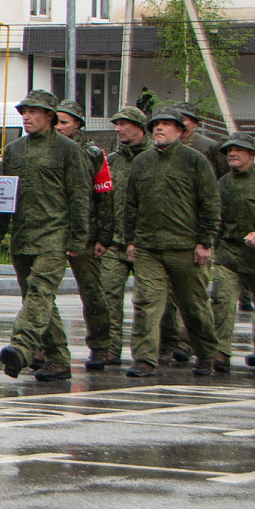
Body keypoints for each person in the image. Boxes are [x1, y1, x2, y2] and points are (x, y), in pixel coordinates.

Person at [0, 90, 87, 381]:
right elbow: (2, 197)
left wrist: (78, 239)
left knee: (40, 292)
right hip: (22, 237)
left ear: (50, 116)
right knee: (37, 299)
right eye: (24, 112)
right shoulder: (14, 149)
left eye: (33, 112)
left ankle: (21, 347)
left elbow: (80, 197)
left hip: (54, 236)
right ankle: (58, 359)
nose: (27, 117)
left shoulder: (68, 150)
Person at [121, 107, 224, 378]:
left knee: (194, 306)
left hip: (186, 248)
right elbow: (131, 204)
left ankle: (205, 354)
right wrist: (130, 240)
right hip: (148, 248)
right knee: (146, 303)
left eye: (167, 125)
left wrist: (205, 241)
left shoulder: (195, 160)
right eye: (156, 125)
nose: (160, 129)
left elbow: (210, 203)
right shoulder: (142, 162)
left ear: (181, 131)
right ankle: (144, 359)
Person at [55, 97, 118, 372]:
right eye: (55, 120)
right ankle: (44, 348)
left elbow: (105, 197)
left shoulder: (93, 154)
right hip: (53, 231)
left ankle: (101, 346)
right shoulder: (47, 149)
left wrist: (104, 237)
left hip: (87, 234)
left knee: (92, 293)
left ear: (78, 125)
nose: (58, 127)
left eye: (64, 122)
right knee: (41, 292)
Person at [214, 134, 255, 371]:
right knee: (222, 301)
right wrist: (209, 245)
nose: (232, 154)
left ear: (252, 155)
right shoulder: (223, 183)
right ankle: (220, 353)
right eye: (229, 150)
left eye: (238, 150)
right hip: (230, 253)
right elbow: (216, 219)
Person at [93, 105, 149, 370]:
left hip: (146, 243)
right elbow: (102, 200)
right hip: (115, 242)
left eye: (124, 124)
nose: (118, 129)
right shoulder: (111, 161)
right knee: (107, 296)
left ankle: (156, 351)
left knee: (148, 300)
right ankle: (109, 350)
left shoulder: (153, 158)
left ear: (139, 127)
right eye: (117, 124)